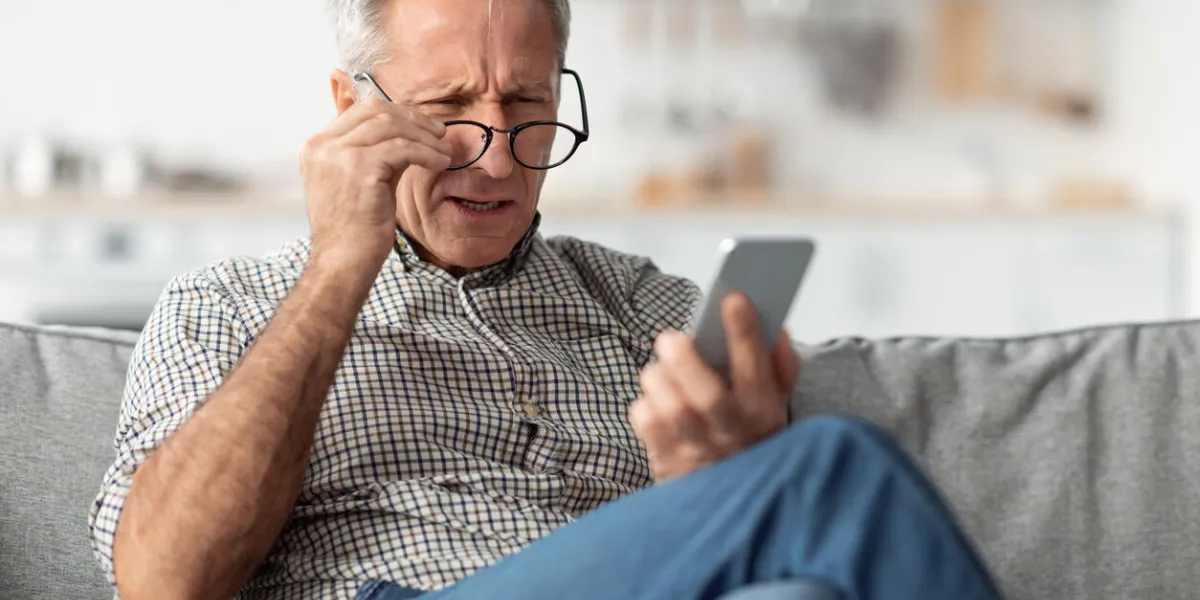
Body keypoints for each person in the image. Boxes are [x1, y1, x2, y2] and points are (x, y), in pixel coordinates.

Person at [88, 0, 1003, 598]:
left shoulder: (643, 303)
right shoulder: (225, 306)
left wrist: (721, 470)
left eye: (525, 104)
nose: (493, 152)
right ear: (350, 109)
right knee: (833, 466)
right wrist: (338, 265)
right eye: (449, 105)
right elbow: (163, 582)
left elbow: (700, 541)